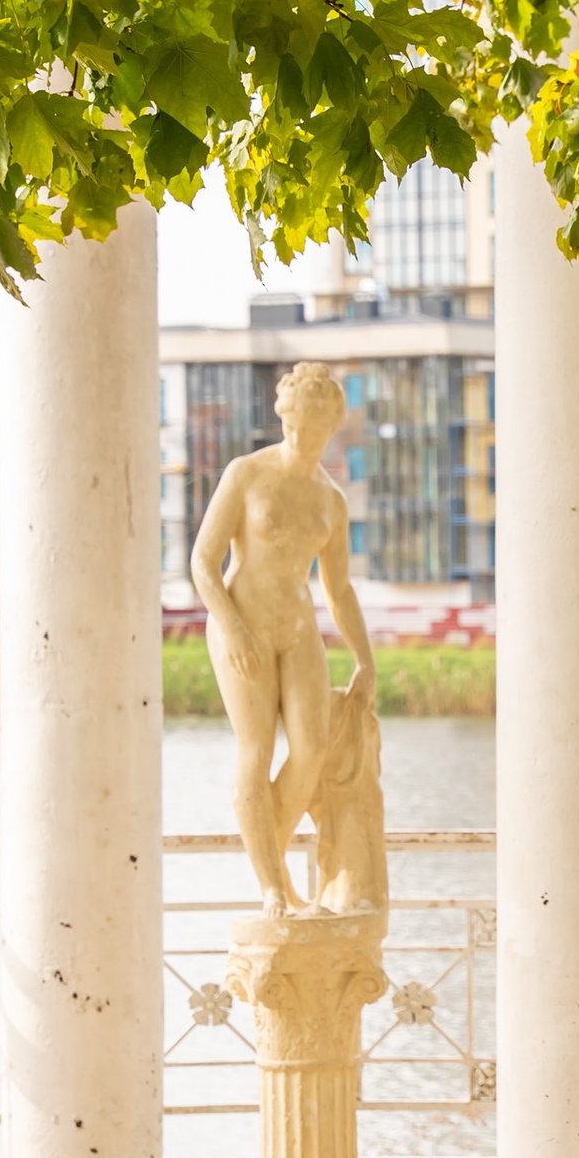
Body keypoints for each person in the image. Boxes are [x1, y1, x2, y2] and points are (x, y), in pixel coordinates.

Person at [189, 366, 374, 915]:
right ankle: (274, 885)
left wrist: (364, 660)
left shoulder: (331, 501)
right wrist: (232, 626)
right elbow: (203, 562)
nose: (306, 435)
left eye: (320, 427)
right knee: (256, 749)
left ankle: (267, 858)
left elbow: (338, 590)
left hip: (298, 627)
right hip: (240, 621)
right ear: (285, 417)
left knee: (312, 748)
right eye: (299, 423)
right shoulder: (246, 474)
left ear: (332, 427)